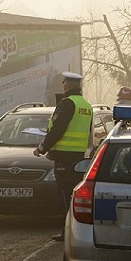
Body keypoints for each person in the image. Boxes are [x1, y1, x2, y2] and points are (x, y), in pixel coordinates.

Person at [33, 71, 93, 240]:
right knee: (75, 195)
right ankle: (75, 230)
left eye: (64, 82)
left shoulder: (67, 103)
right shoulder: (86, 105)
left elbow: (58, 130)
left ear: (68, 84)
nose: (63, 84)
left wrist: (42, 147)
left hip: (64, 158)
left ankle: (67, 232)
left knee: (65, 195)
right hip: (79, 157)